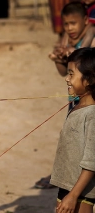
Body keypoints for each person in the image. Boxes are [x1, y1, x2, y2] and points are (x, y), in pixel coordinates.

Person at [37, 2, 92, 190]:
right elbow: (64, 72)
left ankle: (78, 185)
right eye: (66, 24)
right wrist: (58, 59)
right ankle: (68, 177)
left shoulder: (91, 39)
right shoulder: (67, 40)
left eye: (73, 23)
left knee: (87, 143)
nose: (69, 28)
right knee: (72, 139)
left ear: (85, 21)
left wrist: (72, 53)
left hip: (89, 102)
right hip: (75, 101)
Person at [50, 47, 95, 212]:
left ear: (89, 79)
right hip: (66, 186)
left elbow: (92, 161)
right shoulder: (77, 107)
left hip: (80, 193)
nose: (66, 79)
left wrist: (74, 195)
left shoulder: (92, 115)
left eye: (71, 74)